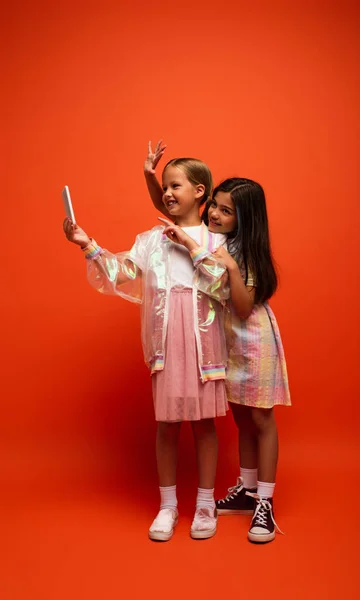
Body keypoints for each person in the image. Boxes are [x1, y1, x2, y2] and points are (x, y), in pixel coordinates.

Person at [63, 155, 230, 541]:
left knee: (205, 425)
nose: (167, 193)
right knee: (167, 425)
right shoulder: (150, 240)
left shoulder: (218, 240)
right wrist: (87, 244)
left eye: (175, 186)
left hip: (204, 342)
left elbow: (226, 287)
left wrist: (192, 247)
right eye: (165, 186)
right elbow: (120, 273)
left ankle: (206, 505)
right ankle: (168, 505)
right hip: (168, 338)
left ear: (199, 192)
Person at [145, 143, 291, 544]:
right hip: (220, 343)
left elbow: (243, 309)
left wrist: (223, 264)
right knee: (242, 418)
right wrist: (149, 176)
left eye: (226, 211)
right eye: (215, 207)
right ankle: (245, 490)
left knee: (260, 418)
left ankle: (265, 500)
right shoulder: (212, 236)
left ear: (245, 219)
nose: (214, 214)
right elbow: (176, 205)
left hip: (253, 340)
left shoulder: (240, 252)